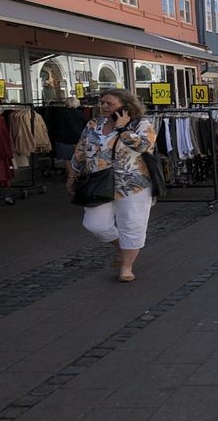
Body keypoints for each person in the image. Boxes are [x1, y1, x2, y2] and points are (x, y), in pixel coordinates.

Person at [67, 89, 156, 283]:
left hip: (133, 184)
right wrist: (72, 173)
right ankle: (120, 248)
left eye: (110, 103)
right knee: (95, 224)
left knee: (132, 224)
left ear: (126, 105)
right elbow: (81, 149)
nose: (104, 106)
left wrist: (123, 129)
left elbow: (143, 147)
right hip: (97, 182)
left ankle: (126, 266)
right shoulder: (94, 123)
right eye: (103, 102)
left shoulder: (141, 124)